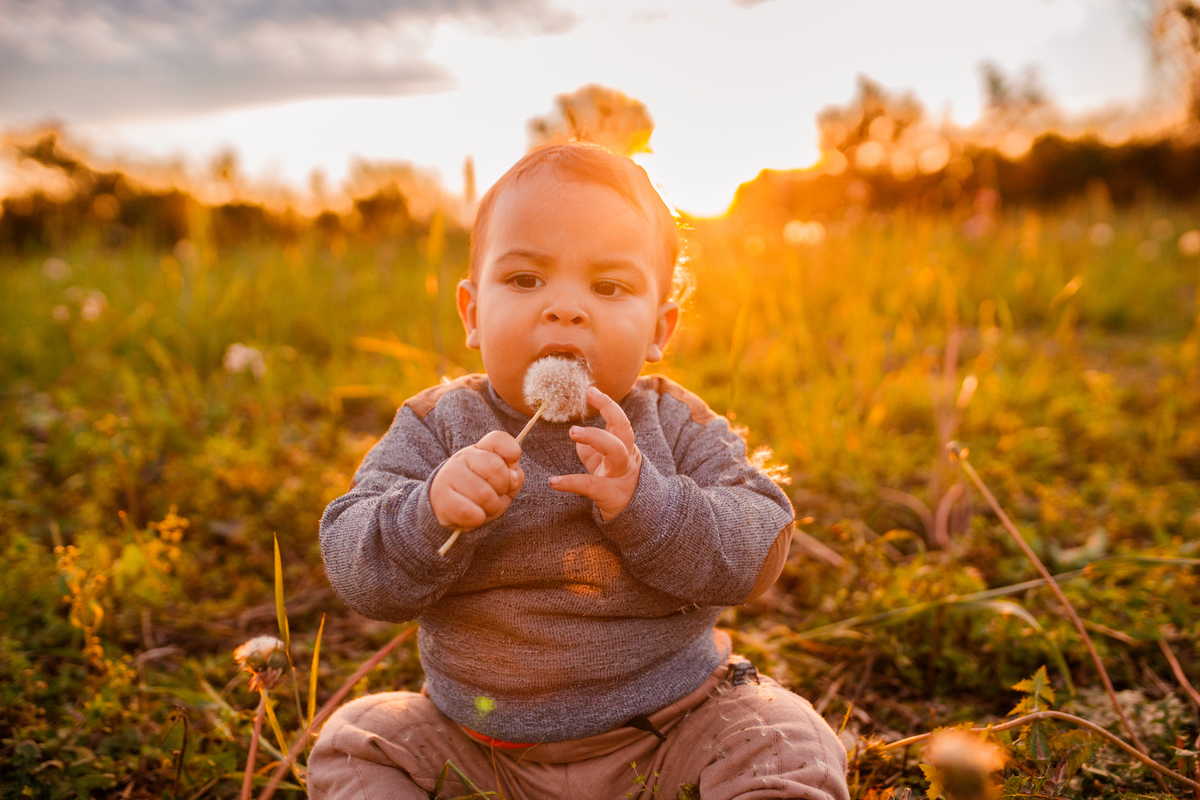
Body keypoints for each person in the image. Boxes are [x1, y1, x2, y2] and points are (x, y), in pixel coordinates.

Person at [310, 142, 849, 800]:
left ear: (660, 328)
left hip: (673, 731)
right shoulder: (436, 428)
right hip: (479, 747)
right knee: (358, 741)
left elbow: (761, 542)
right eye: (525, 280)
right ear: (473, 313)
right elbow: (354, 563)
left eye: (609, 286)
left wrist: (651, 506)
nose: (566, 308)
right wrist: (430, 512)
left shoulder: (676, 424)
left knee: (785, 738)